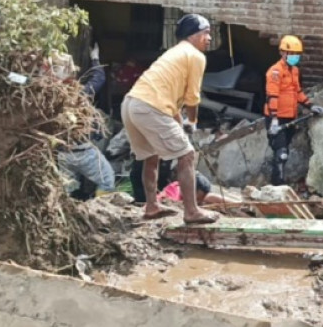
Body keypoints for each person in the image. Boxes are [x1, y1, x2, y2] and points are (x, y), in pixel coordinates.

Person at [121, 14, 219, 224]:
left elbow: (172, 104)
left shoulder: (174, 54)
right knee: (187, 156)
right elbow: (193, 98)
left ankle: (151, 206)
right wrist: (192, 123)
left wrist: (180, 126)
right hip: (149, 107)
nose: (209, 38)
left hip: (131, 104)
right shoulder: (195, 56)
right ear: (193, 35)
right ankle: (192, 211)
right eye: (206, 33)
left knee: (151, 156)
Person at [54, 44, 116, 200]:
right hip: (84, 152)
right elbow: (99, 77)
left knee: (67, 188)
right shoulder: (78, 95)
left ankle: (67, 214)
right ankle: (100, 211)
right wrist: (95, 58)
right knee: (107, 181)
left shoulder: (47, 99)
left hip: (62, 153)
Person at [265, 35, 323, 186]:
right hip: (277, 118)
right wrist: (273, 120)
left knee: (285, 149)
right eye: (292, 54)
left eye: (297, 54)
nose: (295, 57)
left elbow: (297, 92)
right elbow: (272, 96)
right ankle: (277, 185)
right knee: (281, 153)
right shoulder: (275, 72)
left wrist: (310, 105)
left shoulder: (295, 71)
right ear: (283, 53)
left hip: (290, 117)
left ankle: (278, 178)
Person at [129, 159, 223, 205]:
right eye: (196, 199)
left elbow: (210, 197)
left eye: (199, 200)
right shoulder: (174, 193)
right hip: (143, 179)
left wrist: (237, 203)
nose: (197, 202)